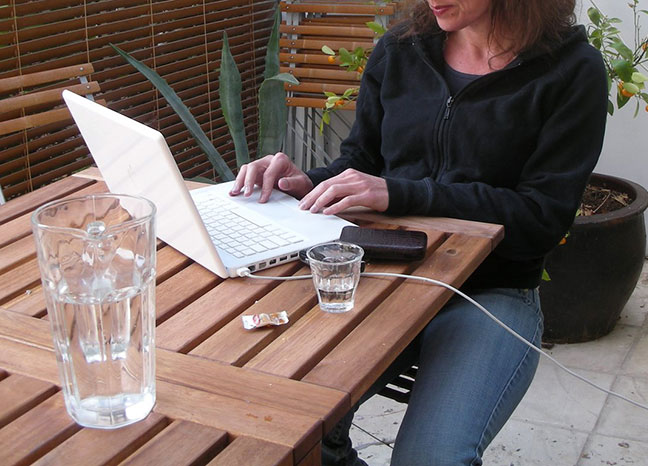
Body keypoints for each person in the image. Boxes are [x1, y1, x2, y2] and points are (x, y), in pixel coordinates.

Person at [231, 0, 608, 464]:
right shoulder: (401, 49)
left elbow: (540, 219)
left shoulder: (572, 70)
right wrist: (305, 183)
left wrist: (404, 193)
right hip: (382, 277)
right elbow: (362, 162)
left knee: (431, 458)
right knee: (277, 424)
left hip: (488, 293)